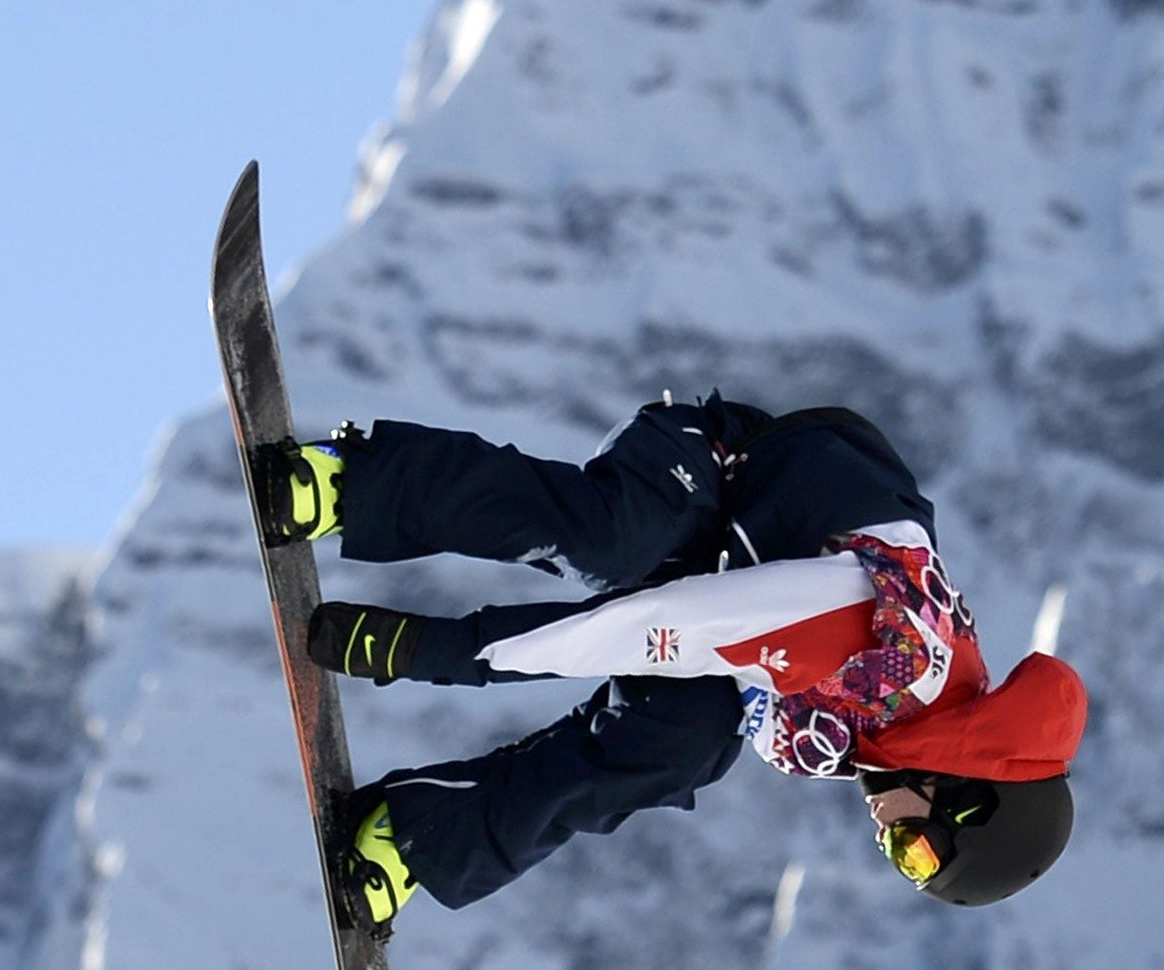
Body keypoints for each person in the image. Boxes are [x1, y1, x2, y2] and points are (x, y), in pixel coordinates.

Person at [256, 393, 1087, 937]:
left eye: (904, 862)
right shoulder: (888, 651)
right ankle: (348, 485)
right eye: (918, 849)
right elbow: (661, 624)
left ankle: (414, 836)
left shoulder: (870, 733)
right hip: (719, 475)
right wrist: (434, 651)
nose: (890, 841)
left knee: (678, 748)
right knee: (607, 537)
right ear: (963, 790)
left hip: (725, 587)